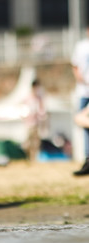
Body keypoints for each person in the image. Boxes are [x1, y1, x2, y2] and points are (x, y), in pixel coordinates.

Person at [71, 26, 89, 176]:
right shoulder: (81, 46)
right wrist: (82, 81)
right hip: (84, 92)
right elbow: (75, 67)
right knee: (81, 120)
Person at [22, 79, 48, 162]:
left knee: (36, 143)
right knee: (28, 142)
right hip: (29, 123)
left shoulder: (40, 99)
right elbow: (23, 111)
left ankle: (35, 159)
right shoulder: (28, 98)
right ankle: (28, 157)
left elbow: (42, 111)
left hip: (37, 123)